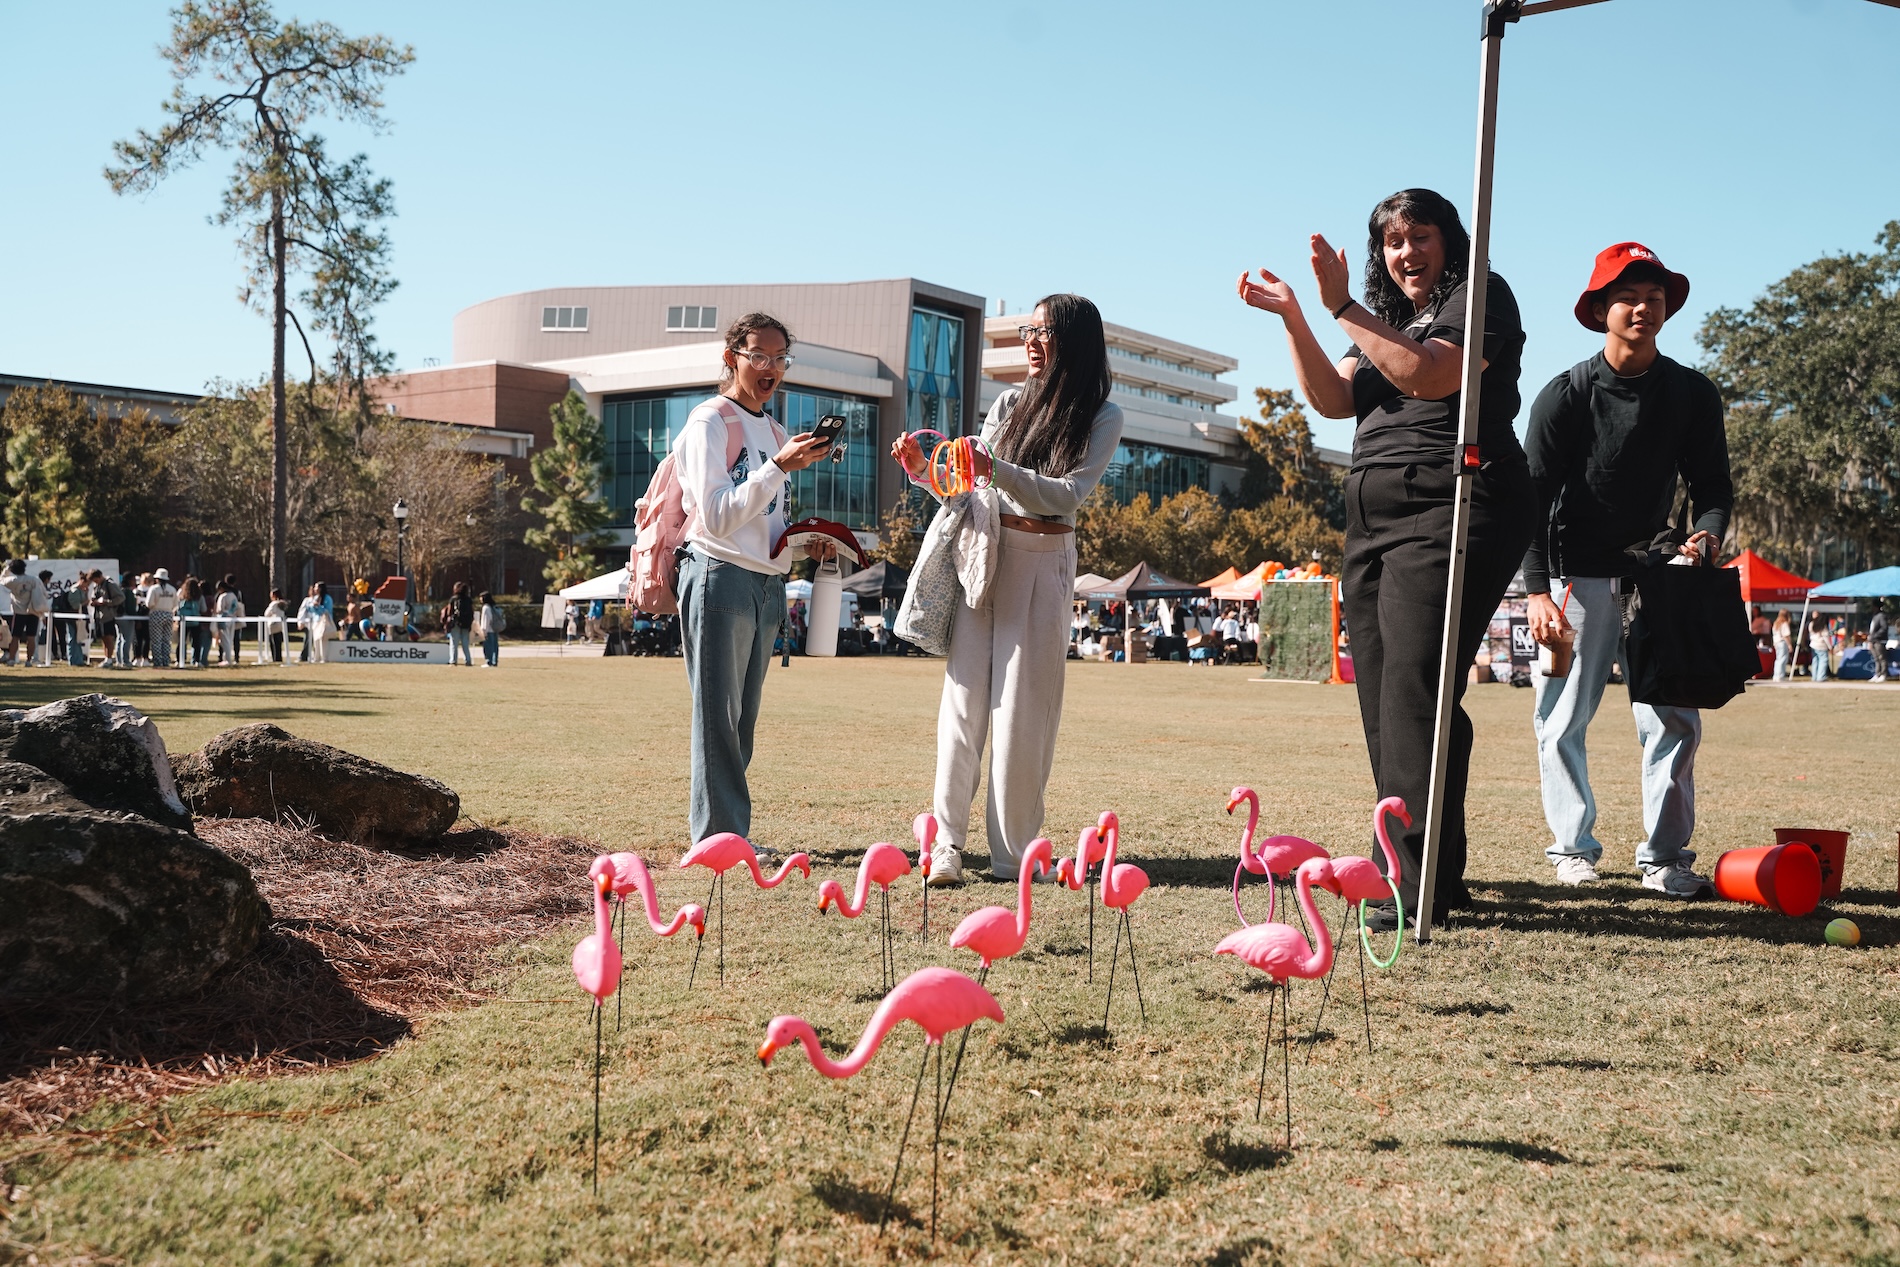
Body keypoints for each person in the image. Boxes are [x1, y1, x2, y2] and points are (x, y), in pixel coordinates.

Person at [1238, 188, 1534, 927]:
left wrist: (1344, 310)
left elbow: (1430, 375)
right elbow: (1333, 400)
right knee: (1388, 691)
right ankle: (1437, 861)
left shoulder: (1480, 295)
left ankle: (1408, 880)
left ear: (1448, 241)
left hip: (1454, 500)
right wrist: (1298, 317)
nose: (1406, 252)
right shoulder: (1383, 321)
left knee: (1410, 685)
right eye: (1392, 241)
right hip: (1371, 511)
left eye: (1420, 236)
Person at [1522, 242, 1732, 899]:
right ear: (1599, 308)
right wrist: (1535, 592)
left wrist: (1706, 536)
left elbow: (1714, 489)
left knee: (1675, 719)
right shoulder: (1565, 395)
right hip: (1574, 577)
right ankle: (1572, 849)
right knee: (1561, 718)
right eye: (1629, 295)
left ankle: (1666, 857)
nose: (1644, 306)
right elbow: (1530, 502)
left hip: (1662, 574)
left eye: (1656, 296)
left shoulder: (1693, 394)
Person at [894, 294, 1125, 884]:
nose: (1031, 340)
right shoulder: (1008, 403)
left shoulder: (1101, 415)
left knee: (1023, 715)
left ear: (1074, 340)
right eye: (1028, 329)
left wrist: (996, 469)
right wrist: (926, 469)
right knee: (962, 707)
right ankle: (944, 845)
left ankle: (1013, 857)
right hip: (984, 555)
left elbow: (1067, 494)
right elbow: (967, 489)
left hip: (1044, 565)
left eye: (1044, 331)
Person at [676, 311, 837, 846]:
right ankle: (718, 838)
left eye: (781, 358)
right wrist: (779, 469)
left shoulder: (774, 431)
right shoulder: (710, 421)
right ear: (732, 358)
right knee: (718, 717)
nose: (772, 368)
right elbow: (717, 515)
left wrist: (802, 541)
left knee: (741, 721)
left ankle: (727, 833)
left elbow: (764, 520)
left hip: (767, 582)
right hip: (718, 574)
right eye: (760, 356)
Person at [2, 560, 48, 667]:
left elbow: (2, 579)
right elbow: (44, 593)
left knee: (15, 637)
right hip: (33, 611)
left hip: (19, 612)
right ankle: (28, 660)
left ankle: (12, 659)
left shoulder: (12, 581)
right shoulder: (34, 579)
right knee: (31, 637)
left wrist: (7, 569)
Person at [144, 569, 177, 667]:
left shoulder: (154, 589)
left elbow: (149, 603)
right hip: (169, 614)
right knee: (166, 640)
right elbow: (175, 603)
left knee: (156, 640)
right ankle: (166, 660)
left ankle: (158, 661)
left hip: (156, 614)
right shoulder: (172, 589)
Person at [446, 582, 475, 666]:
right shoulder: (468, 600)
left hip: (456, 623)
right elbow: (471, 612)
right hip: (466, 623)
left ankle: (453, 660)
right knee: (465, 643)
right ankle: (468, 660)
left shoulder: (453, 599)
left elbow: (449, 611)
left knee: (454, 643)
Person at [214, 579, 241, 666]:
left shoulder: (223, 596)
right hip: (232, 619)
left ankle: (228, 660)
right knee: (230, 639)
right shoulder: (233, 595)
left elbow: (219, 609)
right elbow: (236, 607)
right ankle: (227, 658)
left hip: (223, 619)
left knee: (225, 640)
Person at [475, 590, 502, 667]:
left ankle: (489, 661)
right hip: (495, 629)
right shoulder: (494, 606)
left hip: (488, 630)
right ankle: (494, 661)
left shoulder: (486, 607)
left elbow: (486, 620)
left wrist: (483, 631)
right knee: (494, 646)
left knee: (488, 647)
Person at [263, 589, 288, 662]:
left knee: (273, 643)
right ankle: (278, 658)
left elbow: (267, 613)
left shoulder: (274, 604)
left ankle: (275, 658)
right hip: (280, 625)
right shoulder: (283, 604)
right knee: (278, 643)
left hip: (273, 624)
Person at [1868, 603, 1891, 683]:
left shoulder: (1881, 616)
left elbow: (1884, 628)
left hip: (1879, 640)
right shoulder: (1875, 616)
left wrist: (1876, 635)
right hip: (1873, 640)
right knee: (1876, 658)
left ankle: (1883, 674)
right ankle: (1877, 673)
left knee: (1882, 658)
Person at [1808, 611, 1832, 683]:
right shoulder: (1822, 626)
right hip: (1821, 645)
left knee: (1815, 661)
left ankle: (1814, 676)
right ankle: (1821, 677)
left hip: (1813, 644)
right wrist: (1830, 646)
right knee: (1823, 660)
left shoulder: (1811, 624)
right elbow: (1826, 637)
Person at [1772, 609, 1794, 681]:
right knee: (1783, 659)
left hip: (1777, 642)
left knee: (1778, 659)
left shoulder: (1776, 623)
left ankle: (1776, 675)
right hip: (1782, 642)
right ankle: (1781, 676)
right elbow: (1786, 635)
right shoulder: (1784, 623)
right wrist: (1789, 645)